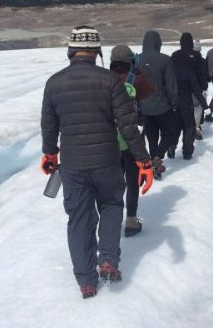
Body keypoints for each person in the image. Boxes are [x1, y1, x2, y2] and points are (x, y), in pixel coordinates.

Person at [41, 25, 153, 299]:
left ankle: (86, 281)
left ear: (71, 51)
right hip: (107, 160)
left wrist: (50, 154)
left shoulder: (54, 83)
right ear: (96, 52)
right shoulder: (111, 81)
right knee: (112, 205)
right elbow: (128, 127)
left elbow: (49, 124)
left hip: (73, 165)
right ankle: (108, 261)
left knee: (79, 218)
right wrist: (144, 161)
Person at [110, 44, 155, 237]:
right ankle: (130, 219)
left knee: (113, 183)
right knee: (132, 179)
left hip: (109, 141)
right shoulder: (136, 79)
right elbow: (150, 92)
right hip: (131, 139)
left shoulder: (105, 79)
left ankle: (110, 218)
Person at [137, 30, 179, 179]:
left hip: (145, 107)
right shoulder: (165, 60)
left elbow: (133, 85)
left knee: (152, 136)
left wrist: (137, 107)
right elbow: (171, 85)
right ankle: (157, 158)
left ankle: (154, 161)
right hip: (163, 106)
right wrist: (174, 104)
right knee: (169, 133)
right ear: (158, 43)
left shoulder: (136, 60)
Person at [171, 33, 209, 159]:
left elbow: (169, 74)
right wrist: (203, 94)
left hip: (174, 95)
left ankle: (171, 145)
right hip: (190, 93)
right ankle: (187, 151)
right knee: (189, 125)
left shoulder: (175, 55)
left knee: (176, 124)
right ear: (191, 42)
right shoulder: (195, 57)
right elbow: (200, 73)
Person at [192, 39, 208, 140]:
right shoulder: (202, 61)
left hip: (188, 87)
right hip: (199, 87)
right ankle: (196, 126)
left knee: (191, 107)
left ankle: (191, 126)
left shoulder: (187, 60)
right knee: (198, 108)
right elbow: (205, 75)